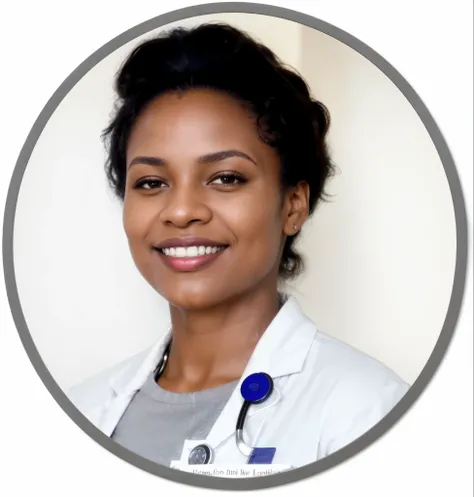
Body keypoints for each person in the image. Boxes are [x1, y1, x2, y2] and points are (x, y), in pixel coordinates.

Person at [69, 23, 410, 474]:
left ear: (293, 204)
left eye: (226, 177)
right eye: (151, 182)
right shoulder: (80, 410)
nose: (181, 210)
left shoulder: (370, 412)